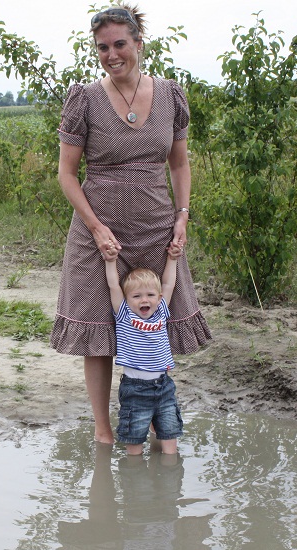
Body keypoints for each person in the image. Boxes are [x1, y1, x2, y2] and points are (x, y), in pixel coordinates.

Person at [50, 4, 212, 444]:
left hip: (157, 226)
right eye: (102, 47)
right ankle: (105, 434)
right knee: (99, 334)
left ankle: (160, 428)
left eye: (120, 44)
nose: (111, 54)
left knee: (154, 322)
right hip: (96, 232)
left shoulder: (170, 95)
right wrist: (96, 227)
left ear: (139, 43)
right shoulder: (84, 99)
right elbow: (66, 174)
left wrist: (182, 216)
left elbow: (179, 165)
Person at [105, 243, 183, 454]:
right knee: (134, 444)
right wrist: (111, 261)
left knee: (170, 439)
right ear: (128, 299)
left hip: (164, 387)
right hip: (135, 390)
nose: (144, 300)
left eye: (150, 295)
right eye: (137, 296)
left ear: (158, 298)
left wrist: (172, 259)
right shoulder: (124, 314)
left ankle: (168, 480)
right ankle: (134, 482)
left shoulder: (161, 312)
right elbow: (113, 286)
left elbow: (168, 283)